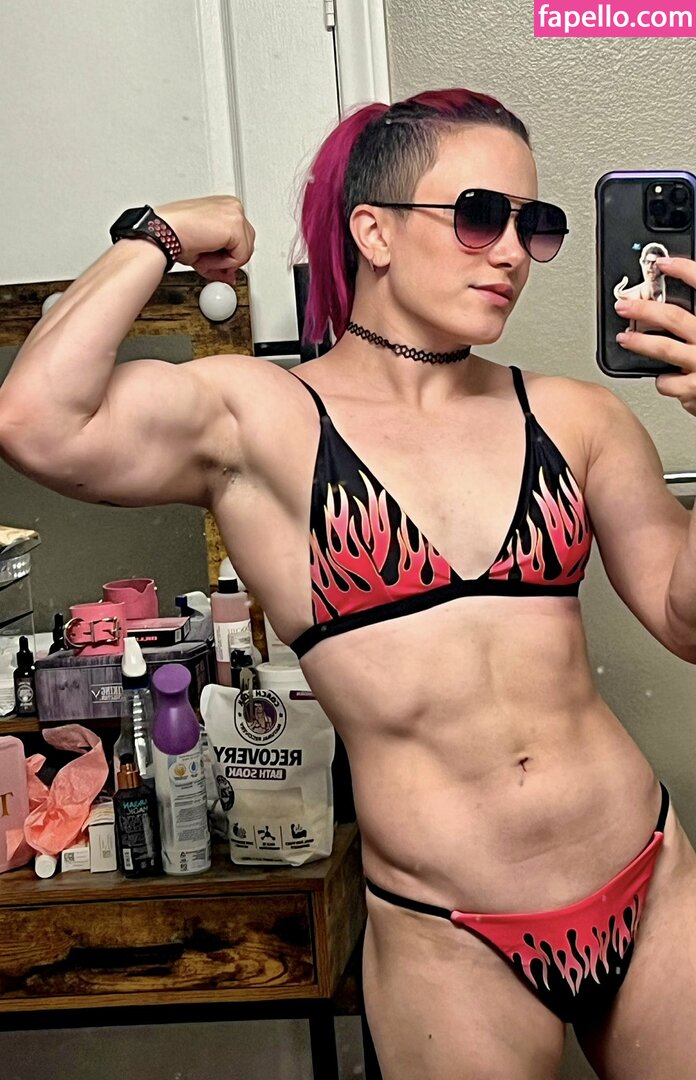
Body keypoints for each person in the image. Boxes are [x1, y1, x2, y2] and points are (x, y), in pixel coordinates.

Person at [1, 88, 696, 1079]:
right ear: (373, 231)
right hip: (450, 934)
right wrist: (160, 233)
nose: (511, 252)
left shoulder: (576, 418)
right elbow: (36, 419)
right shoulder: (259, 418)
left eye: (532, 224)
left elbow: (683, 618)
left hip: (648, 875)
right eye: (479, 215)